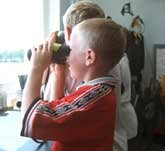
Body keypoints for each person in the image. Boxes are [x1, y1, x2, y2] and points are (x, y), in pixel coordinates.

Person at [41, 1, 137, 150]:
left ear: (67, 32)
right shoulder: (114, 57)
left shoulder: (84, 69)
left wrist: (53, 70)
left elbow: (53, 119)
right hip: (114, 137)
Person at [21, 18, 126, 151]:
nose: (67, 57)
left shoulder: (92, 99)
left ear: (89, 57)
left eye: (70, 49)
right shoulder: (99, 91)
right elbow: (59, 114)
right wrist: (58, 72)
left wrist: (36, 69)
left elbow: (32, 120)